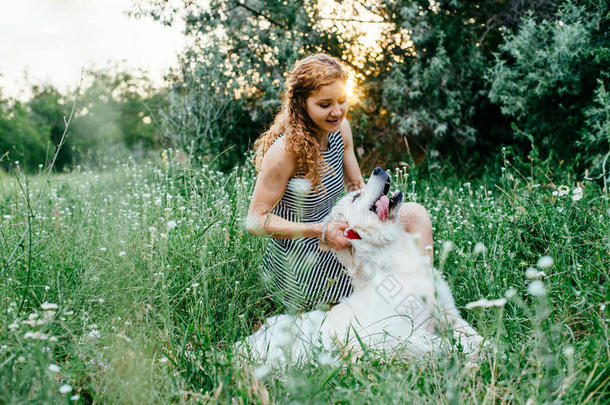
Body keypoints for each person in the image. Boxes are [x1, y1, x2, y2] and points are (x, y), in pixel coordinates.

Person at [246, 53, 433, 309]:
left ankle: (426, 296)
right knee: (377, 297)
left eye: (342, 101)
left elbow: (356, 185)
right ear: (302, 104)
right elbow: (255, 220)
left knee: (414, 215)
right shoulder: (285, 152)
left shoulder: (340, 128)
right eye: (325, 105)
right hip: (300, 261)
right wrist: (319, 229)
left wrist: (376, 209)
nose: (337, 111)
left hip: (339, 239)